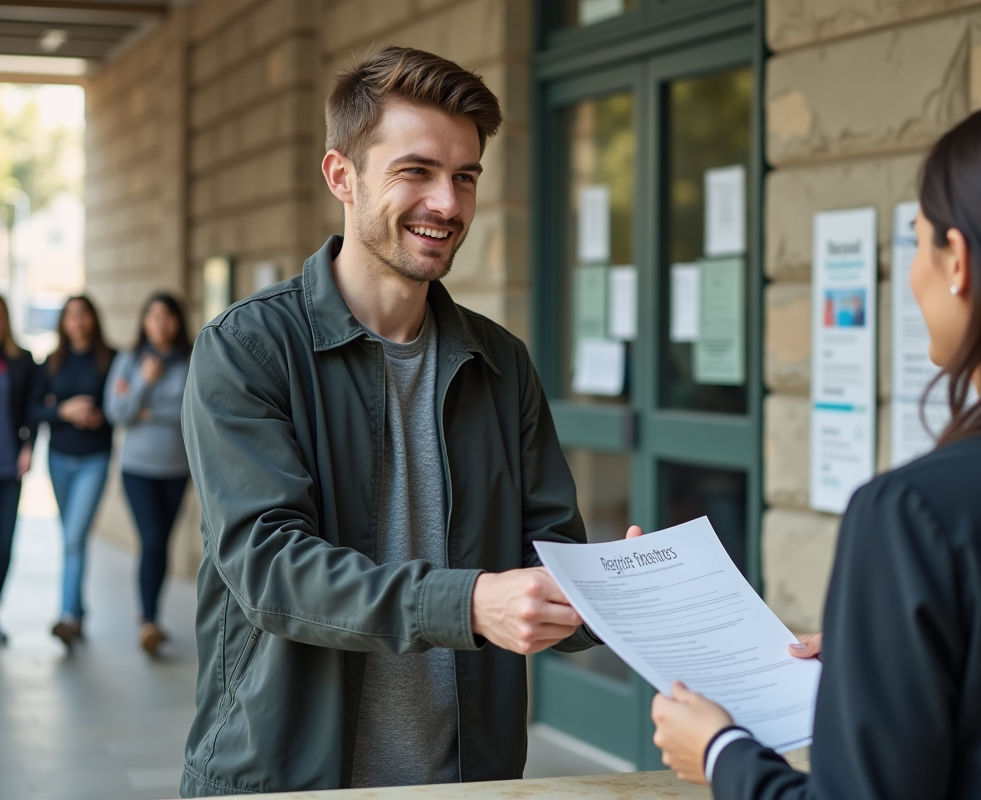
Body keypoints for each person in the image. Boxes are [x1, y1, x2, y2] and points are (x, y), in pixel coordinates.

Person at [650, 98, 981, 799]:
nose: (910, 272)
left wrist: (723, 751)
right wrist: (887, 653)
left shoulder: (912, 515)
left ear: (958, 262)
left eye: (916, 240)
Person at [179, 47, 601, 797]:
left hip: (466, 780)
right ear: (342, 175)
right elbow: (270, 567)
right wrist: (469, 602)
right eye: (417, 171)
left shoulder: (501, 363)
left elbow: (552, 551)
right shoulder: (248, 349)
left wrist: (620, 594)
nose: (448, 203)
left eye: (465, 176)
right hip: (284, 776)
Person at [105, 293, 191, 656]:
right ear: (143, 322)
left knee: (162, 545)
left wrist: (146, 408)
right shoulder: (129, 360)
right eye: (153, 316)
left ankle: (151, 616)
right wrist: (144, 382)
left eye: (167, 316)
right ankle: (149, 621)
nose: (160, 323)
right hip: (137, 469)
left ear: (177, 322)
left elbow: (191, 411)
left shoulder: (191, 361)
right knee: (152, 541)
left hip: (176, 469)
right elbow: (117, 412)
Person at [30, 295, 114, 649]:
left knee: (74, 537)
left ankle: (66, 616)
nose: (77, 322)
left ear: (93, 319)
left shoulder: (111, 359)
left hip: (94, 459)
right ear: (63, 323)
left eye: (83, 315)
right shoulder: (52, 362)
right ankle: (78, 611)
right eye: (71, 316)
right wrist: (63, 412)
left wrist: (99, 418)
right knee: (70, 537)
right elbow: (35, 410)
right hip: (59, 459)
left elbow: (119, 408)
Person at [0, 296, 37, 646]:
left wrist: (29, 447)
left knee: (4, 546)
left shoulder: (21, 361)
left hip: (9, 466)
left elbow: (32, 410)